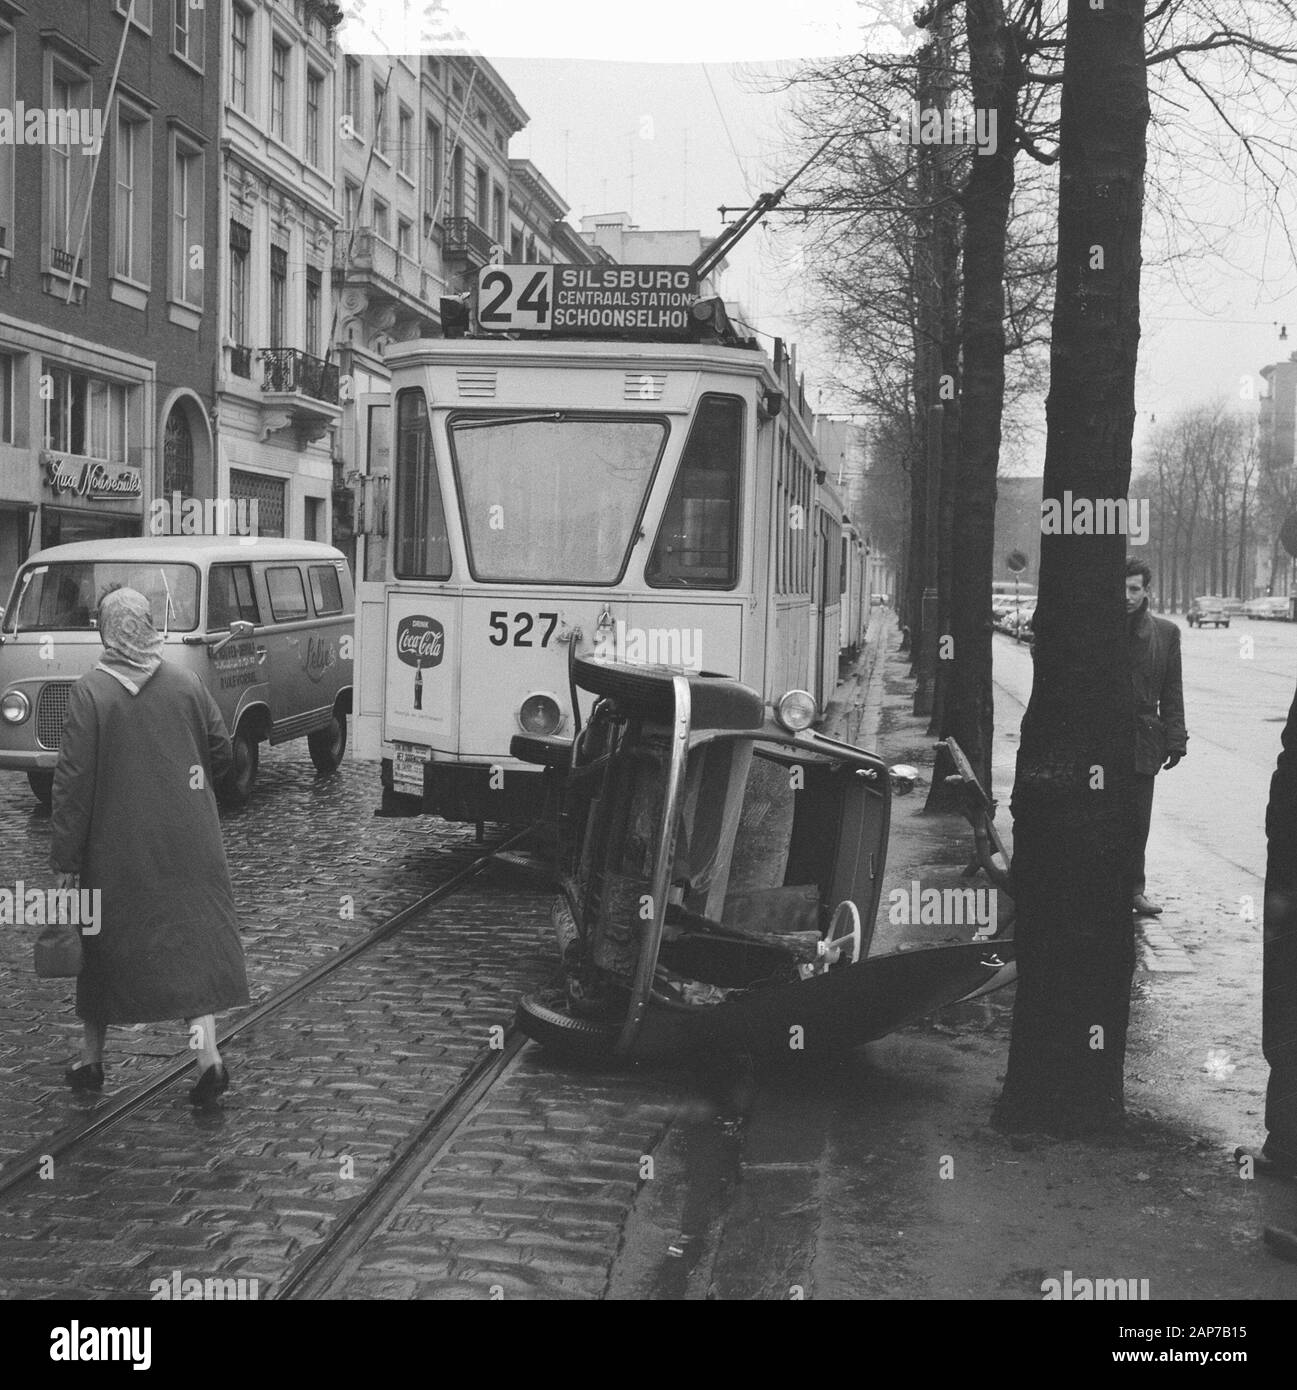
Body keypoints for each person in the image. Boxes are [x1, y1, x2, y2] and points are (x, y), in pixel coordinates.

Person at [50, 587, 249, 1105]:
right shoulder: (186, 682)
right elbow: (223, 751)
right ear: (148, 625)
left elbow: (73, 784)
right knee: (191, 947)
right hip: (189, 843)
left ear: (106, 630)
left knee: (101, 949)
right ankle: (209, 1058)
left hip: (114, 852)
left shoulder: (90, 693)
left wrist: (65, 860)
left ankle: (92, 1060)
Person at [1125, 557, 1187, 916]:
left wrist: (1175, 738)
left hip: (1144, 740)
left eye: (1134, 589)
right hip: (1102, 739)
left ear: (1147, 591)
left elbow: (1172, 690)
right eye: (1122, 588)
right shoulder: (1101, 631)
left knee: (1138, 821)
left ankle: (1134, 890)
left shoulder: (1165, 634)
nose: (1127, 596)